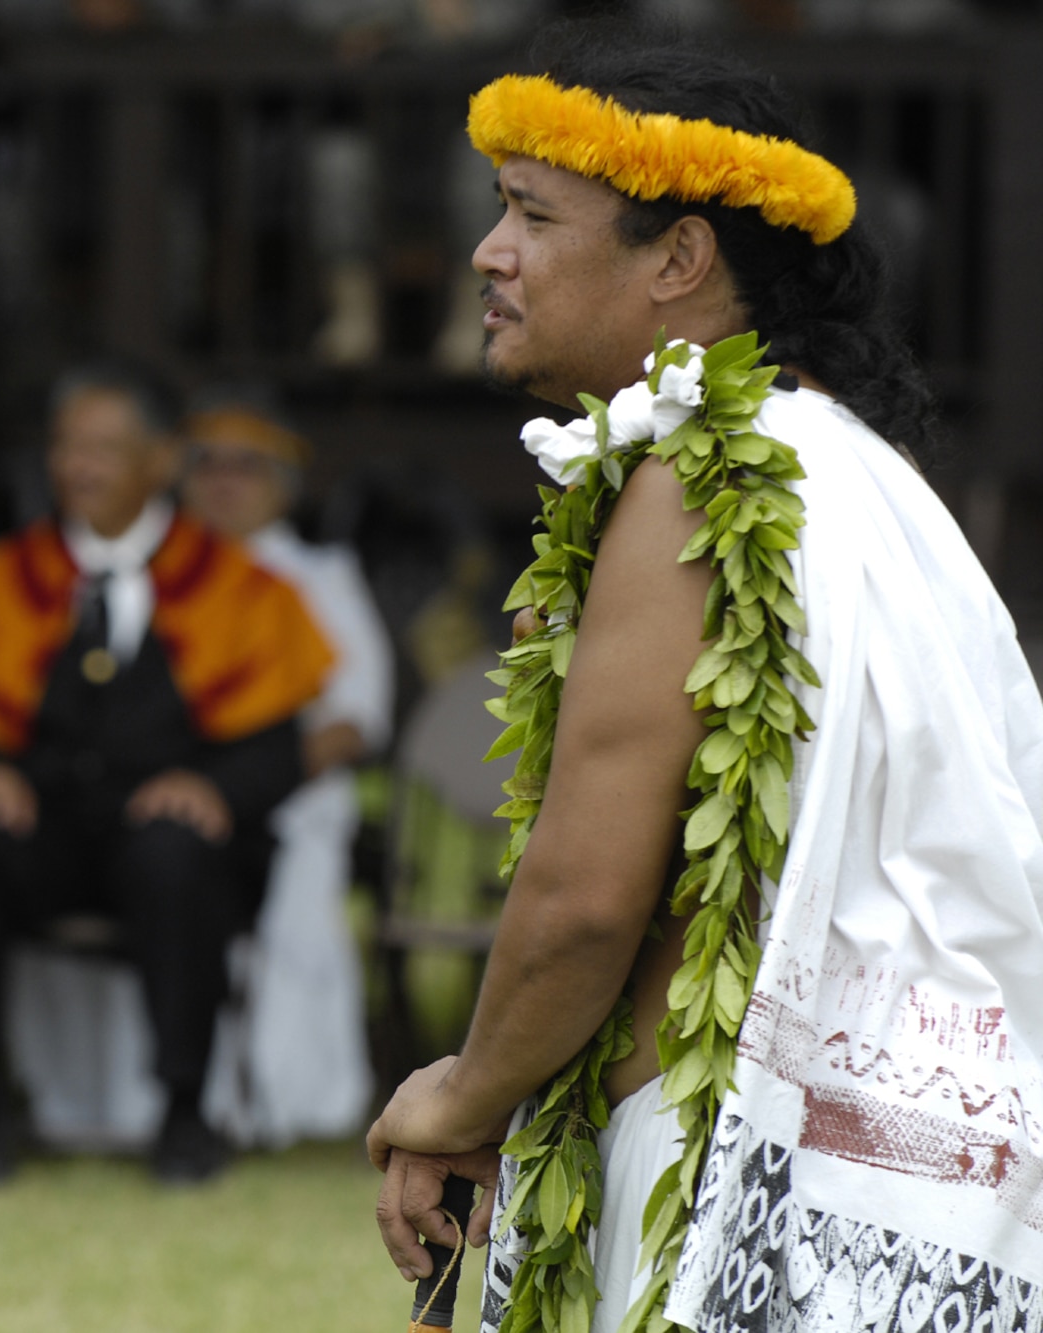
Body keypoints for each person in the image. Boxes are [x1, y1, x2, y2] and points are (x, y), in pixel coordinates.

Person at [365, 27, 1043, 1332]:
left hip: (780, 1185)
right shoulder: (862, 477)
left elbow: (582, 897)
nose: (486, 255)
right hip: (937, 1165)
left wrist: (460, 1095)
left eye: (530, 215)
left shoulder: (702, 479)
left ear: (679, 256)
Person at [0, 363, 335, 1185]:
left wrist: (213, 787)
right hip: (43, 836)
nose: (82, 466)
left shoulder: (246, 590)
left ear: (161, 461)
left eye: (106, 447)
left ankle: (185, 1115)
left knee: (176, 847)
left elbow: (278, 749)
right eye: (69, 446)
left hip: (172, 847)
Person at [180, 402, 393, 1144]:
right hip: (186, 800)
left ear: (283, 485)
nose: (224, 481)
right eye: (207, 463)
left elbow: (357, 715)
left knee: (293, 940)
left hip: (295, 798)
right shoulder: (164, 570)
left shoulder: (319, 574)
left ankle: (294, 1104)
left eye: (247, 466)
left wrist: (249, 782)